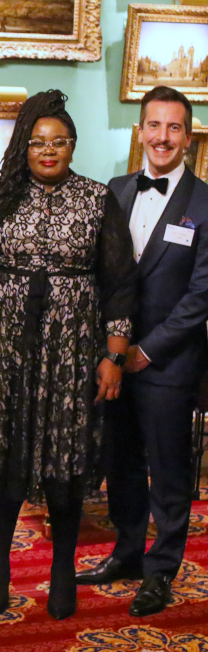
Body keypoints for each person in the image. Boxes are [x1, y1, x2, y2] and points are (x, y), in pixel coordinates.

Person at [0, 90, 137, 621]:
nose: (48, 150)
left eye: (59, 141)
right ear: (24, 146)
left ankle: (62, 571)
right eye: (38, 142)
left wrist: (114, 354)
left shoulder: (97, 198)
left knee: (66, 457)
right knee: (4, 456)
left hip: (72, 349)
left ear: (73, 146)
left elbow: (120, 282)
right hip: (4, 345)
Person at [76, 86, 208, 617]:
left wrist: (147, 351)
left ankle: (161, 571)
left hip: (167, 362)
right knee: (121, 461)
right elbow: (102, 273)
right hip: (113, 359)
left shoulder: (205, 202)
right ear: (140, 131)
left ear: (188, 137)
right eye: (154, 125)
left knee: (169, 471)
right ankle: (127, 553)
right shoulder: (116, 189)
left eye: (174, 127)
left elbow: (201, 294)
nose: (162, 137)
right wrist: (109, 350)